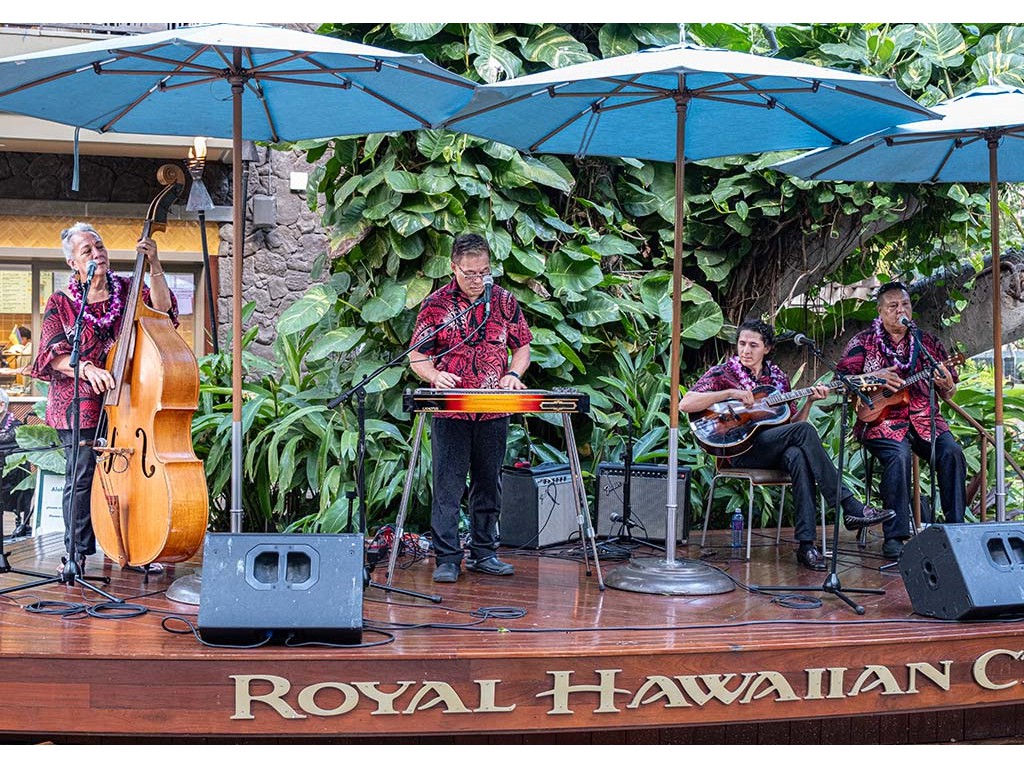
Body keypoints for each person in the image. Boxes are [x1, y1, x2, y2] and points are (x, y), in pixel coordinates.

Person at [680, 318, 894, 571]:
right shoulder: (723, 373)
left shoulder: (778, 379)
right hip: (740, 450)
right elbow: (686, 403)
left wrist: (809, 402)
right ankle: (848, 505)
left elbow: (792, 424)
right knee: (802, 436)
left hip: (772, 447)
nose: (746, 350)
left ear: (767, 348)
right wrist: (730, 393)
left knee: (797, 455)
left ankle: (806, 546)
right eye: (742, 344)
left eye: (753, 345)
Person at [30, 222, 177, 575]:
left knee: (130, 476)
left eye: (99, 247)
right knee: (82, 477)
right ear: (73, 263)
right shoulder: (62, 302)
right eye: (87, 251)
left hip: (128, 401)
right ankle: (76, 556)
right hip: (77, 403)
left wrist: (155, 265)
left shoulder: (128, 289)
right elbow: (52, 353)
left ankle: (134, 549)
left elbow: (164, 312)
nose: (97, 254)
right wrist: (87, 368)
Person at [408, 233, 533, 584]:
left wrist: (513, 374)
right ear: (453, 267)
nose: (478, 280)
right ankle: (447, 558)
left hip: (493, 408)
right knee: (448, 486)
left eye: (484, 272)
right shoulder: (436, 304)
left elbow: (522, 347)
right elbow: (417, 355)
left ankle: (484, 553)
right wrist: (435, 375)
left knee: (488, 483)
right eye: (470, 273)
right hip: (452, 411)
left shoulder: (504, 301)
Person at [836, 281, 967, 559]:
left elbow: (949, 392)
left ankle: (956, 529)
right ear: (880, 311)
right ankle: (895, 536)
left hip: (925, 419)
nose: (900, 310)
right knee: (899, 456)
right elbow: (841, 382)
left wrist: (946, 384)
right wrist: (875, 377)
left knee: (952, 452)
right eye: (893, 306)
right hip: (879, 421)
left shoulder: (927, 343)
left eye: (905, 304)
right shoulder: (862, 342)